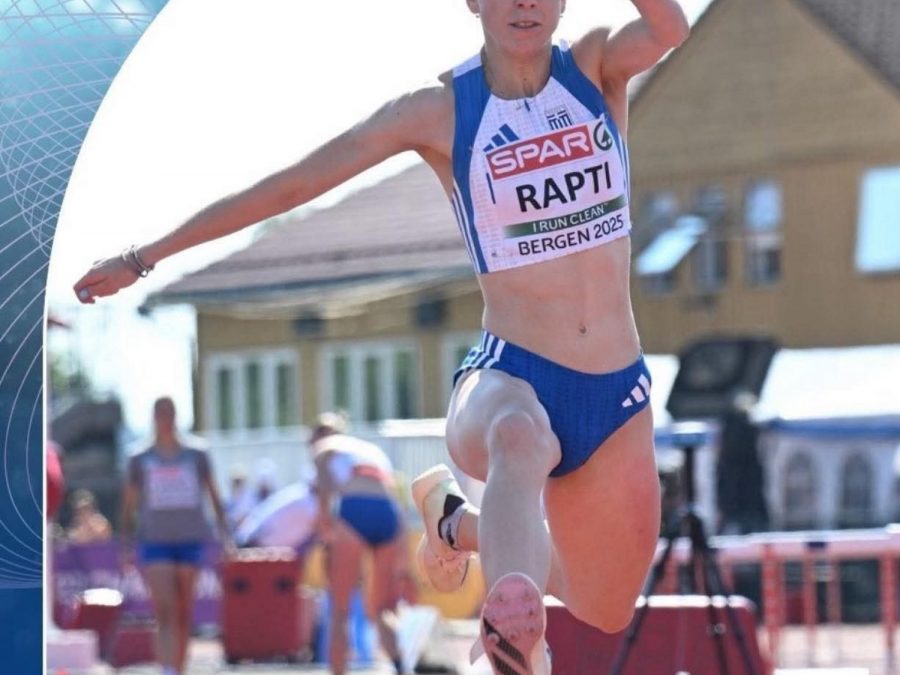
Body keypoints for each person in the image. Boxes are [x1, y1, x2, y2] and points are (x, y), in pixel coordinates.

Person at [74, 2, 690, 671]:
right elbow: (295, 185)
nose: (525, 3)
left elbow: (670, 29)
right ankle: (519, 650)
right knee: (520, 436)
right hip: (512, 375)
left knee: (607, 605)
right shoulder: (439, 111)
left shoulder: (596, 67)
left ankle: (453, 522)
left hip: (615, 390)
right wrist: (146, 255)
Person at [120, 396, 233, 675]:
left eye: (170, 413)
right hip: (154, 541)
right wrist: (126, 543)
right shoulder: (139, 457)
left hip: (190, 539)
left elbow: (214, 495)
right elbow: (128, 505)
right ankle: (167, 669)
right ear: (153, 417)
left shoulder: (197, 454)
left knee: (183, 612)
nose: (166, 419)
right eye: (160, 413)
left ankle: (179, 668)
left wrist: (225, 536)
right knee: (165, 610)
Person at [309, 413, 409, 675]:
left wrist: (327, 528)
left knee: (340, 609)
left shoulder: (325, 447)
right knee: (381, 608)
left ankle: (338, 671)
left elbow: (324, 486)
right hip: (388, 513)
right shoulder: (369, 450)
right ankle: (401, 667)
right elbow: (394, 495)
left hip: (355, 509)